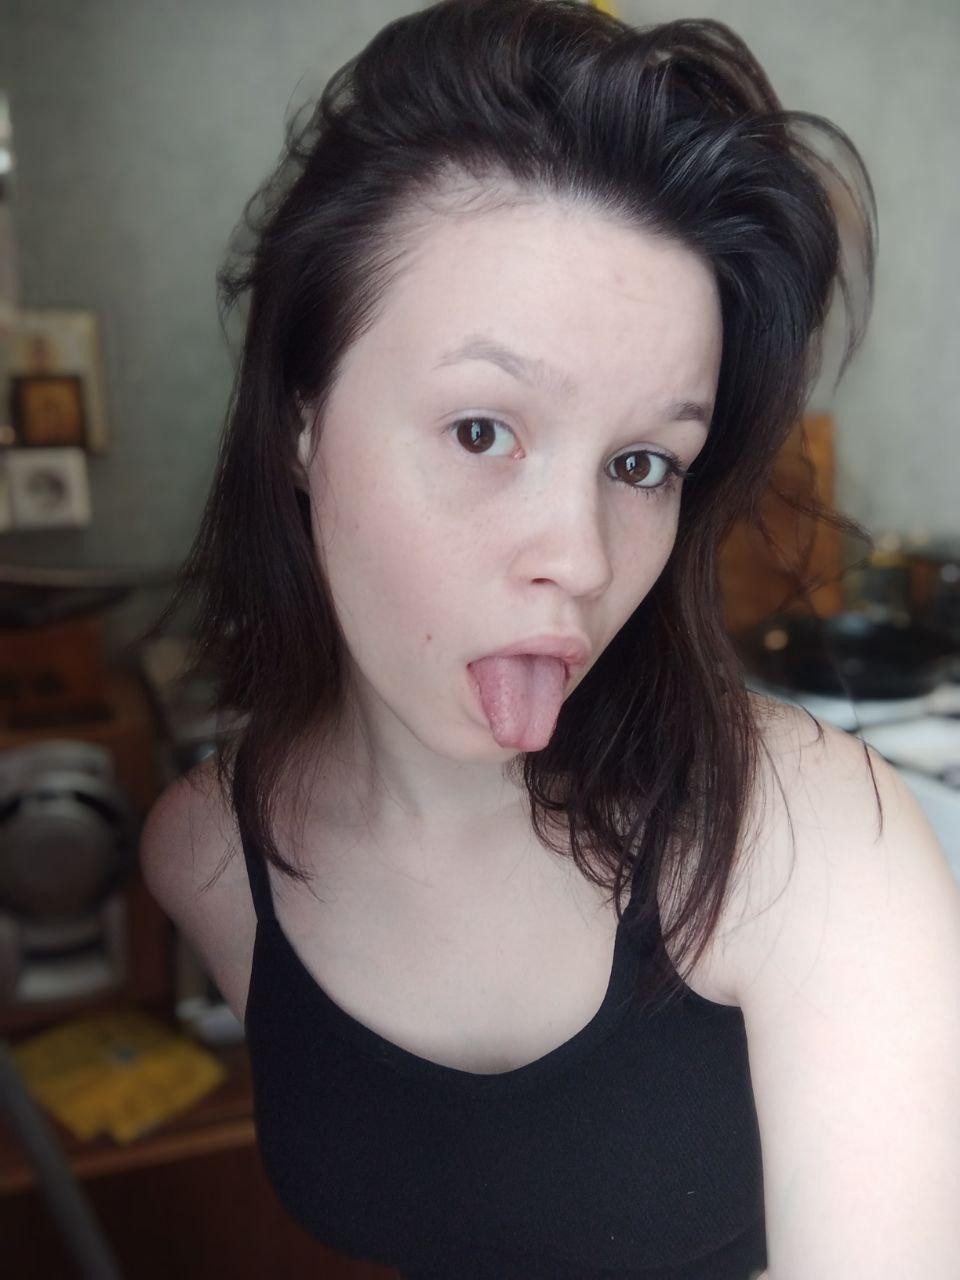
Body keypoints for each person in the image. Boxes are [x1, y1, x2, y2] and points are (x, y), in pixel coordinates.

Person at [137, 2, 960, 1277]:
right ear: (300, 420)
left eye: (642, 463)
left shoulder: (812, 848)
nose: (580, 556)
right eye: (483, 431)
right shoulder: (205, 856)